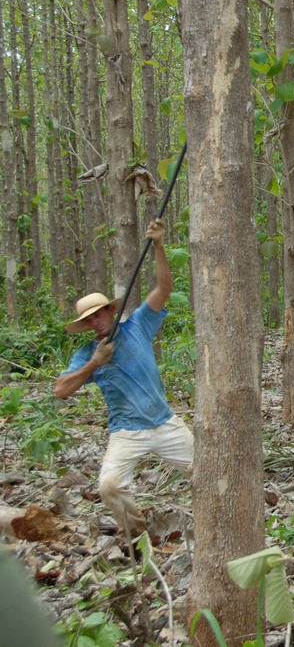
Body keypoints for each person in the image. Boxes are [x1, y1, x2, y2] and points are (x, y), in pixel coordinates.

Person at [55, 218, 194, 539]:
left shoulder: (138, 326)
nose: (95, 323)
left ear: (110, 312)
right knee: (109, 486)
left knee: (204, 471)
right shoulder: (89, 352)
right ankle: (137, 533)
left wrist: (158, 245)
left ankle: (216, 524)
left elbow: (164, 289)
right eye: (89, 321)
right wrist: (95, 363)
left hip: (165, 423)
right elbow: (61, 390)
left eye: (99, 315)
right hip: (126, 433)